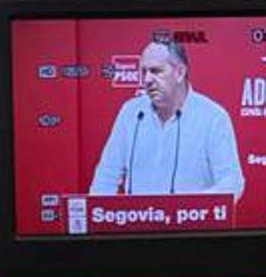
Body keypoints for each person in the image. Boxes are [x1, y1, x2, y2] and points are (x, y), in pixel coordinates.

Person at [89, 38, 245, 201]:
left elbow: (232, 182)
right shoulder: (131, 112)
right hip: (137, 222)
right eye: (144, 72)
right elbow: (106, 177)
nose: (147, 80)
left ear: (180, 73)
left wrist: (190, 208)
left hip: (191, 223)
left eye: (156, 71)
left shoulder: (213, 117)